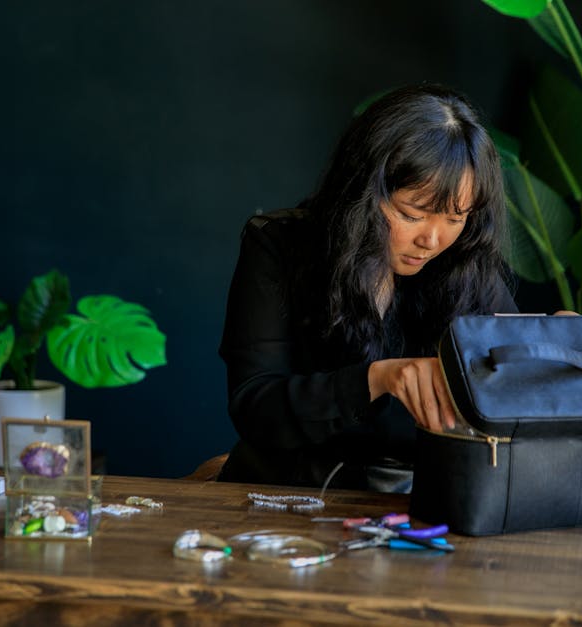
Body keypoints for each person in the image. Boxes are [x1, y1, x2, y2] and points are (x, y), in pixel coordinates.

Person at [216, 83, 520, 493]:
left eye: (456, 217)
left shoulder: (466, 265)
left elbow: (512, 400)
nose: (432, 240)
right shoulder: (281, 247)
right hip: (291, 495)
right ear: (364, 192)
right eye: (413, 215)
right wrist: (374, 380)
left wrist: (548, 351)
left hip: (419, 506)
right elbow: (256, 407)